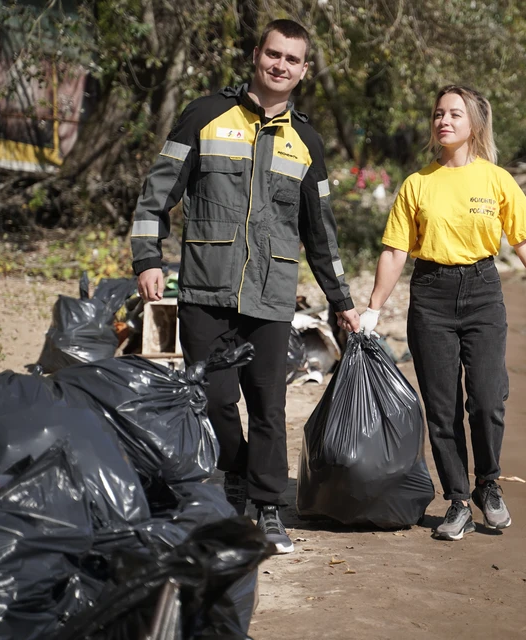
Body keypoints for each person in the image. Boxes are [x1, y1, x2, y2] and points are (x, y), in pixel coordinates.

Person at [130, 19, 360, 554]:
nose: (280, 66)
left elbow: (320, 231)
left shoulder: (307, 143)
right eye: (273, 54)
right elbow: (157, 192)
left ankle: (267, 507)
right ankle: (234, 477)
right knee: (213, 398)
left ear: (303, 71)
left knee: (268, 405)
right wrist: (148, 257)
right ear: (257, 55)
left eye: (292, 60)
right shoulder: (205, 115)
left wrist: (341, 299)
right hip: (206, 289)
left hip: (271, 293)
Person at [358, 85, 526, 541]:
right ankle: (457, 499)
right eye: (438, 114)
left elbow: (525, 242)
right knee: (442, 407)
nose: (444, 121)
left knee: (488, 397)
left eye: (455, 114)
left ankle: (488, 486)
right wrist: (374, 310)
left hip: (481, 291)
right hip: (431, 295)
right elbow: (396, 250)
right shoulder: (417, 183)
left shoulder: (496, 180)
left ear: (474, 124)